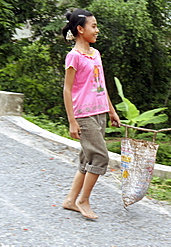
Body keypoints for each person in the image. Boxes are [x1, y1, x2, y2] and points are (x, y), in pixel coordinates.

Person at [61, 9, 120, 219]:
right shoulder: (73, 57)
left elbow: (101, 85)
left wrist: (111, 111)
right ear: (80, 29)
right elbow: (67, 89)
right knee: (100, 157)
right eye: (93, 26)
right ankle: (83, 199)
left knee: (87, 157)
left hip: (99, 113)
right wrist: (72, 121)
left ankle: (70, 200)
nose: (97, 30)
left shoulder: (95, 54)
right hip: (83, 115)